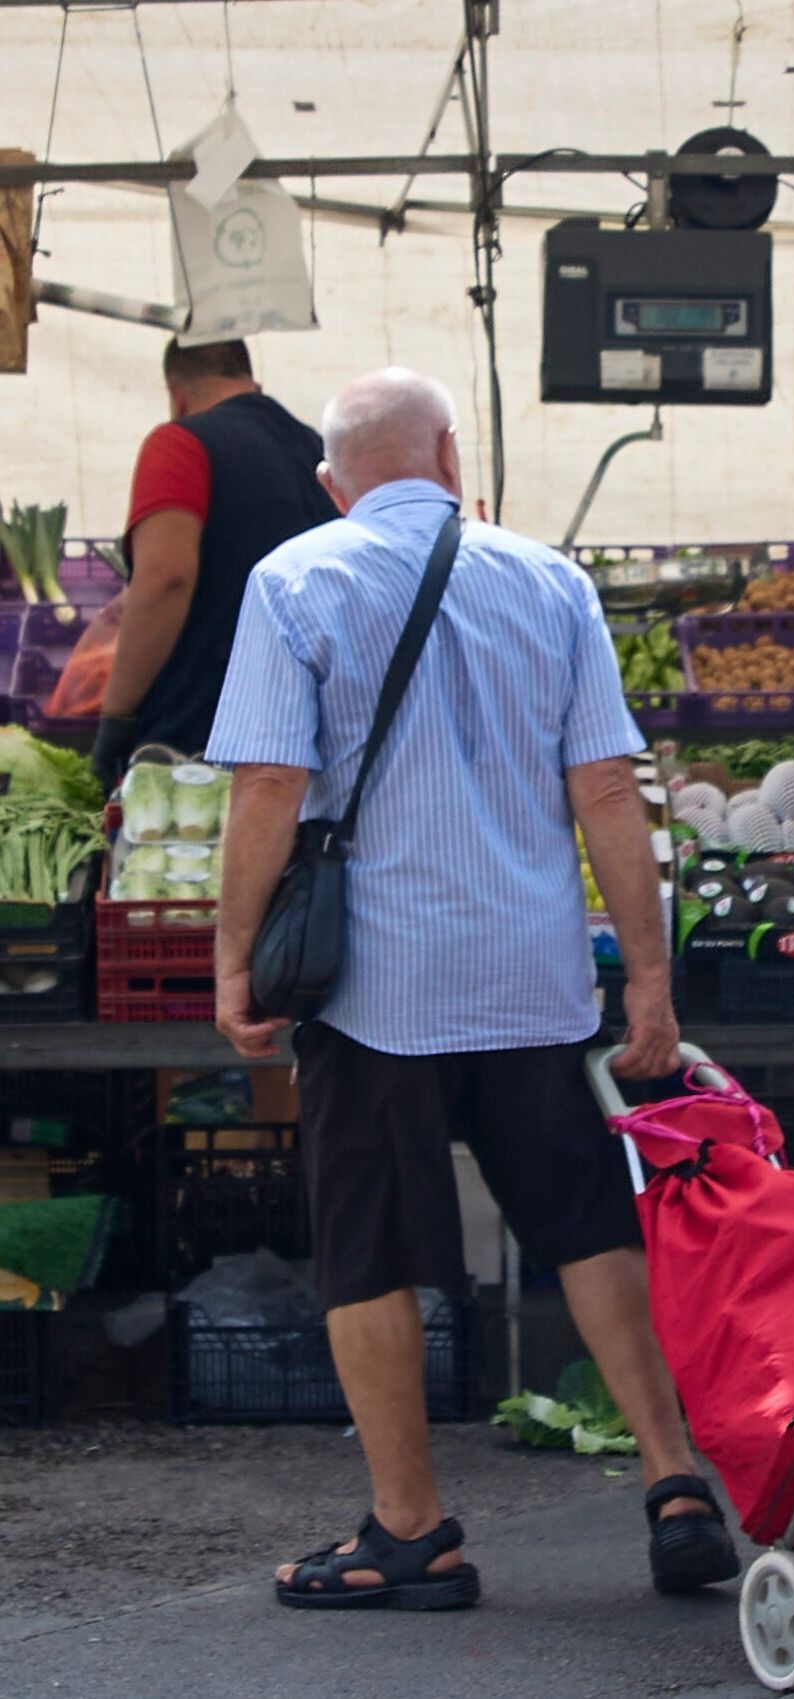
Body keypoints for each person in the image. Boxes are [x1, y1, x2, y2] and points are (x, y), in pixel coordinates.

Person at [206, 367, 736, 1611]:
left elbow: (267, 790)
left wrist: (233, 959)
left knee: (368, 1250)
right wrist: (648, 982)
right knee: (589, 1228)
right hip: (531, 978)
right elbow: (608, 793)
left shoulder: (295, 579)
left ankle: (411, 1531)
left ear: (334, 486)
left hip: (371, 987)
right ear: (452, 456)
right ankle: (673, 1481)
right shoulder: (547, 579)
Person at [94, 339, 338, 787]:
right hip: (309, 737)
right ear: (252, 382)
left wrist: (117, 713)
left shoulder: (179, 442)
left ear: (177, 395)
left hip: (201, 742)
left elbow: (167, 579)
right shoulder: (320, 451)